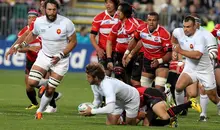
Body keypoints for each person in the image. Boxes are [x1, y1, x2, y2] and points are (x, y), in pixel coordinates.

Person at [10, 0, 77, 119]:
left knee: (50, 91)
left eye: (54, 10)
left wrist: (61, 54)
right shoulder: (39, 22)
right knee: (31, 82)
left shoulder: (66, 23)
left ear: (57, 10)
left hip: (61, 60)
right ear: (45, 10)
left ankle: (39, 111)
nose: (51, 12)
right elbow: (33, 34)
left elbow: (73, 42)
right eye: (49, 10)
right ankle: (49, 83)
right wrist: (23, 44)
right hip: (44, 56)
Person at [172, 15, 220, 121]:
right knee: (179, 87)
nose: (185, 29)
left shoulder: (204, 36)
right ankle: (180, 109)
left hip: (205, 69)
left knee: (212, 96)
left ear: (195, 26)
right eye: (184, 26)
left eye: (188, 27)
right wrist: (174, 49)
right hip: (190, 67)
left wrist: (179, 50)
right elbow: (174, 37)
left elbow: (198, 55)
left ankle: (218, 105)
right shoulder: (178, 32)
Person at [123, 12, 172, 92]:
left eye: (154, 20)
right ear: (147, 20)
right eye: (149, 20)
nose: (151, 22)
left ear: (158, 21)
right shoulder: (141, 29)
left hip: (161, 61)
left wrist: (159, 61)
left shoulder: (164, 34)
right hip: (147, 60)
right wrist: (127, 53)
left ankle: (166, 96)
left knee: (159, 89)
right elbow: (135, 40)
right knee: (145, 90)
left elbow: (169, 54)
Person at [106, 2, 143, 86]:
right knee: (118, 78)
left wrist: (129, 55)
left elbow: (137, 42)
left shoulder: (132, 25)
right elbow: (109, 42)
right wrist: (109, 59)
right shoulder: (117, 25)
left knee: (132, 82)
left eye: (119, 11)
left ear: (125, 13)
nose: (117, 13)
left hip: (133, 56)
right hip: (119, 55)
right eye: (117, 10)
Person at [136, 86, 201, 127]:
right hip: (147, 99)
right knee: (146, 124)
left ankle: (190, 103)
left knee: (164, 116)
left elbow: (139, 116)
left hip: (150, 94)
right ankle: (169, 121)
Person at [90, 0, 119, 76]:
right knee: (105, 76)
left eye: (110, 3)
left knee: (119, 76)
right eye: (106, 3)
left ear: (115, 4)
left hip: (118, 51)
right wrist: (98, 49)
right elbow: (92, 36)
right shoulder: (99, 18)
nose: (108, 5)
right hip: (104, 51)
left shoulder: (120, 16)